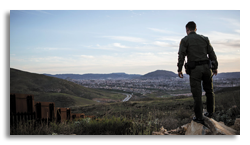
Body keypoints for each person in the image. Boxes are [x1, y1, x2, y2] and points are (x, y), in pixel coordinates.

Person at [177, 21, 218, 124]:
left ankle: (199, 117)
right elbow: (212, 54)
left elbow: (181, 55)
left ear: (187, 30)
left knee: (197, 94)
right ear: (196, 29)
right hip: (207, 68)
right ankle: (210, 112)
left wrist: (179, 69)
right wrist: (215, 67)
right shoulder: (205, 39)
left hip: (195, 70)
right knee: (209, 91)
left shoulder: (185, 40)